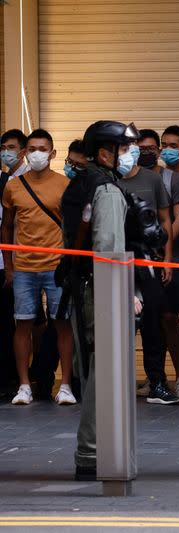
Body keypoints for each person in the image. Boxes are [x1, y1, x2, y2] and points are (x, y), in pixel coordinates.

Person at [61, 120, 137, 481]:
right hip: (100, 288)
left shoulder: (80, 183)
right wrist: (126, 292)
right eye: (123, 149)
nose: (129, 155)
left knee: (96, 368)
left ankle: (93, 450)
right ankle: (90, 453)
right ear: (105, 153)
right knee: (104, 370)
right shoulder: (105, 190)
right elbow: (108, 249)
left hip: (84, 286)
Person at [2, 129, 76, 406]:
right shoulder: (13, 186)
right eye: (31, 148)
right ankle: (24, 386)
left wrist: (70, 264)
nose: (36, 154)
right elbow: (6, 227)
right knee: (22, 326)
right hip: (23, 268)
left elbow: (71, 228)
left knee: (62, 326)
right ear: (24, 153)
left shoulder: (65, 184)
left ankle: (65, 385)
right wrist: (9, 266)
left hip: (56, 268)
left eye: (42, 149)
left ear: (52, 153)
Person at [117, 137, 179, 405]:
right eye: (121, 148)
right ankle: (117, 385)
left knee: (154, 322)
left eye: (128, 148)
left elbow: (166, 219)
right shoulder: (106, 181)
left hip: (148, 260)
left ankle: (157, 383)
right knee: (119, 326)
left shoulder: (152, 180)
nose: (129, 153)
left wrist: (166, 259)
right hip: (116, 260)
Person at [137, 129, 179, 398]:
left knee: (170, 317)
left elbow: (176, 220)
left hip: (172, 260)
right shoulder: (126, 178)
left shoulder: (174, 180)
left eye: (151, 148)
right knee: (147, 321)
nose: (147, 152)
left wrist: (165, 255)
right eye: (141, 148)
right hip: (138, 261)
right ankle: (154, 377)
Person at [0, 129, 30, 397]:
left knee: (24, 321)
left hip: (25, 263)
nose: (6, 152)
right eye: (3, 147)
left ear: (23, 151)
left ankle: (22, 378)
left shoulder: (29, 179)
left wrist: (11, 266)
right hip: (6, 262)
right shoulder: (4, 179)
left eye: (11, 147)